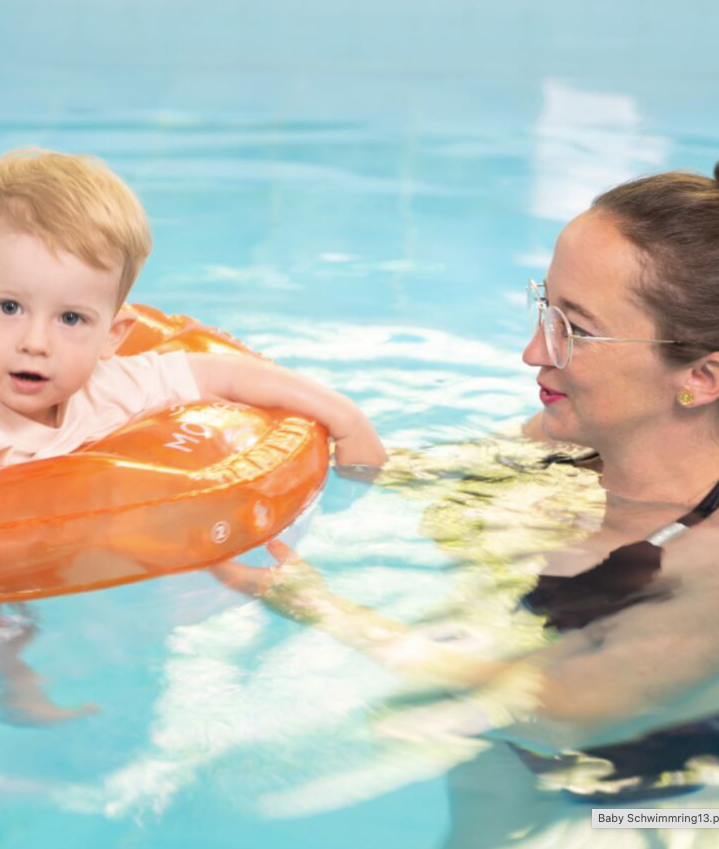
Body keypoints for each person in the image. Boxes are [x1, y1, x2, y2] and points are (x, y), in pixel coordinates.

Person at [212, 162, 719, 836]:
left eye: (576, 329)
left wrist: (320, 606)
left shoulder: (709, 561)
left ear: (702, 374)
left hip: (654, 804)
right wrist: (288, 415)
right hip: (513, 750)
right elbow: (395, 476)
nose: (532, 350)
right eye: (546, 308)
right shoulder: (574, 434)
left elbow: (562, 705)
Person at [0, 148, 386, 633]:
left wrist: (347, 419)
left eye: (71, 318)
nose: (35, 342)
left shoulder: (109, 384)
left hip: (66, 551)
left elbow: (221, 375)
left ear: (112, 336)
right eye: (8, 308)